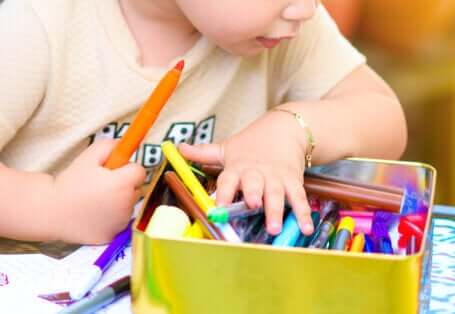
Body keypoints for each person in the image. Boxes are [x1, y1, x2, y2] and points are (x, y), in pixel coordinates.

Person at [0, 0, 407, 244]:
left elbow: (384, 115)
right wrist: (52, 205)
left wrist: (291, 128)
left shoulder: (286, 28)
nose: (306, 7)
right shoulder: (38, 25)